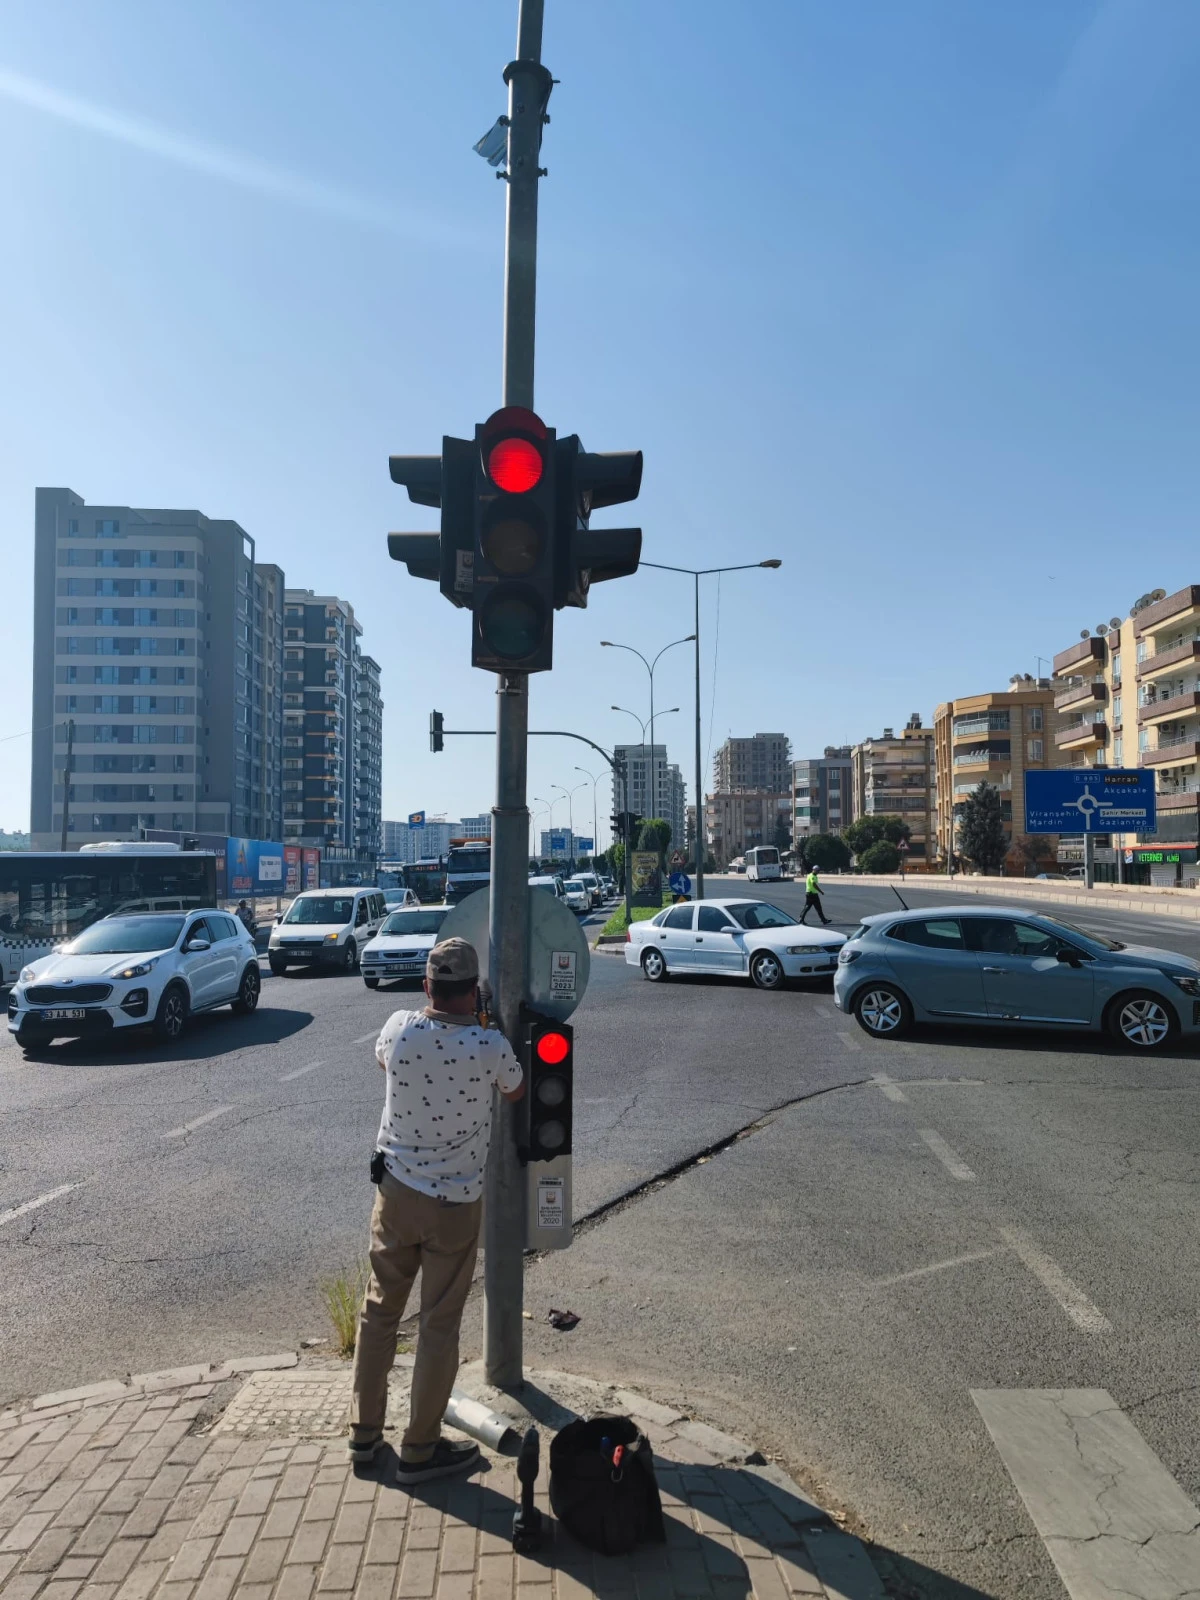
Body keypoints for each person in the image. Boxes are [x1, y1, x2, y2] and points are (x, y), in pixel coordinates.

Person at [349, 937, 524, 1484]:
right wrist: (485, 1024)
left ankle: (363, 1436)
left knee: (379, 1312)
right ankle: (420, 1449)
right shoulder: (488, 1044)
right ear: (474, 993)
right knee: (438, 1325)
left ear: (427, 986)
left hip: (396, 1194)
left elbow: (385, 1063)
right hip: (454, 1206)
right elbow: (515, 1091)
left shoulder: (398, 1027)